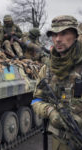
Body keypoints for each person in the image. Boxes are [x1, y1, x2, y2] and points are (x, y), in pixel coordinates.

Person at [31, 15, 82, 150]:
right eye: (54, 34)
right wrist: (50, 112)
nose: (58, 39)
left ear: (76, 35)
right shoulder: (47, 69)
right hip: (60, 142)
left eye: (64, 33)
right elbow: (35, 101)